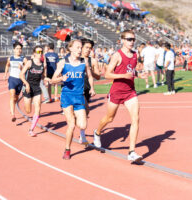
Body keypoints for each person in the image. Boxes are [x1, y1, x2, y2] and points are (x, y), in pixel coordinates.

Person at [93, 30, 147, 163]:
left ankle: (132, 152)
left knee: (136, 119)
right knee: (109, 118)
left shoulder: (135, 54)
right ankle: (97, 132)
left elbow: (132, 70)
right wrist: (123, 75)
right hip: (116, 92)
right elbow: (107, 75)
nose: (132, 42)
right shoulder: (117, 55)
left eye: (133, 39)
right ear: (122, 40)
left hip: (130, 92)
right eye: (129, 39)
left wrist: (139, 75)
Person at [51, 40, 96, 160]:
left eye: (81, 48)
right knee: (71, 125)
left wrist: (92, 88)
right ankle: (67, 149)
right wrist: (61, 78)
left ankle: (75, 117)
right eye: (77, 47)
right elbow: (52, 80)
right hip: (66, 97)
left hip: (79, 97)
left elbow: (90, 76)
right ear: (70, 49)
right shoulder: (62, 63)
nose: (80, 50)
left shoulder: (84, 62)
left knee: (82, 125)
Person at [20, 45, 49, 137]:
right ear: (34, 53)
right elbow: (21, 75)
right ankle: (27, 103)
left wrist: (46, 80)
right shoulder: (29, 62)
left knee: (38, 109)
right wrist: (26, 84)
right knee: (28, 111)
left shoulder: (43, 64)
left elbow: (43, 76)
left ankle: (31, 129)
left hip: (37, 88)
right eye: (38, 52)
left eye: (41, 52)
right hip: (28, 87)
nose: (40, 53)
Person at [4, 42, 27, 122]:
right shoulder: (10, 58)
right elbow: (7, 65)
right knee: (12, 95)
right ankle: (13, 114)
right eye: (17, 48)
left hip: (20, 80)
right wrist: (5, 74)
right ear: (14, 49)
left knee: (16, 98)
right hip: (12, 79)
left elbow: (27, 69)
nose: (19, 50)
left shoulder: (23, 59)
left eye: (20, 49)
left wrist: (22, 68)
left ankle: (12, 106)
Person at [81, 38, 101, 116]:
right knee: (81, 112)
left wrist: (90, 71)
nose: (88, 50)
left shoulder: (92, 61)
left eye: (90, 48)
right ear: (81, 47)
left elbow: (98, 77)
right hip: (77, 89)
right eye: (86, 47)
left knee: (86, 112)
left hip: (87, 90)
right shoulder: (75, 59)